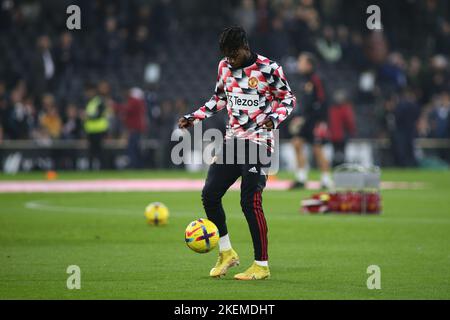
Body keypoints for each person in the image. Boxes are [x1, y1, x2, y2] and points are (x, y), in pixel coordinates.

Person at [178, 26, 296, 280]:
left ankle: (261, 265)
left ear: (245, 47)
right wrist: (194, 117)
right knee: (210, 195)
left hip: (258, 141)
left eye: (234, 55)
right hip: (233, 141)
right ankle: (226, 252)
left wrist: (273, 120)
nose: (230, 60)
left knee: (249, 202)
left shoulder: (269, 69)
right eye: (227, 56)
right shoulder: (224, 67)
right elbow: (219, 98)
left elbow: (288, 99)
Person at [289, 52, 332, 189]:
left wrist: (322, 121)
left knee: (317, 149)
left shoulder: (317, 79)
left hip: (317, 120)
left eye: (301, 62)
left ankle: (326, 180)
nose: (298, 65)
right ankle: (301, 178)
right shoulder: (305, 80)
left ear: (309, 64)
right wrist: (300, 117)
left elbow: (323, 101)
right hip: (307, 120)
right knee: (296, 143)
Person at [83, 81, 110, 170]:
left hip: (99, 130)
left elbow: (99, 114)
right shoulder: (91, 102)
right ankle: (91, 169)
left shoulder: (99, 101)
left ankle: (103, 168)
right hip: (91, 130)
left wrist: (88, 116)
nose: (88, 94)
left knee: (100, 152)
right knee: (92, 152)